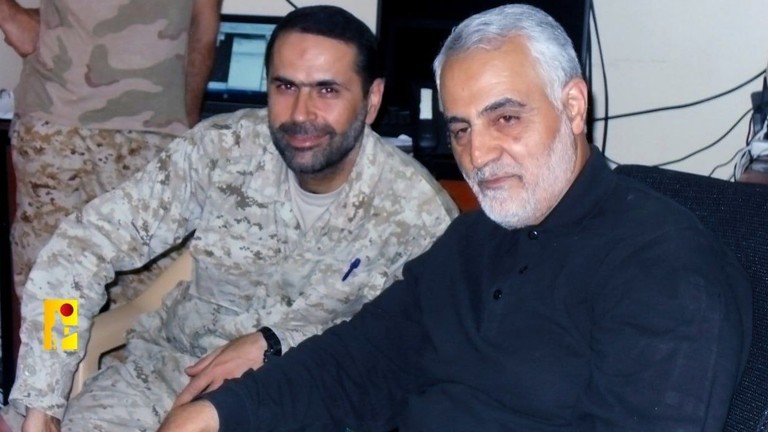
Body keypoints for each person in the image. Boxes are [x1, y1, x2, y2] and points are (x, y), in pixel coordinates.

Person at [159, 4, 753, 432]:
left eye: (506, 118)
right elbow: (362, 360)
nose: (478, 154)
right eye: (461, 128)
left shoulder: (664, 271)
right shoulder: (475, 237)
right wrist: (218, 414)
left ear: (572, 106)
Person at [0, 5, 458, 432]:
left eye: (327, 90)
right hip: (166, 377)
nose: (301, 114)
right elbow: (79, 251)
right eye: (286, 87)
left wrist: (275, 341)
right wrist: (43, 400)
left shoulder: (417, 214)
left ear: (372, 99)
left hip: (299, 402)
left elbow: (419, 346)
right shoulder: (222, 150)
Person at [0, 0, 222, 304]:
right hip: (61, 127)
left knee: (143, 298)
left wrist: (182, 129)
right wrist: (10, 16)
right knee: (60, 293)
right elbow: (204, 31)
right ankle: (60, 335)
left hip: (151, 135)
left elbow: (204, 29)